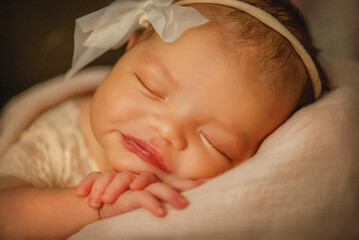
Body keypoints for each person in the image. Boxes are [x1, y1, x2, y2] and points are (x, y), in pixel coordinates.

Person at [0, 0, 328, 238]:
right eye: (152, 88)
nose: (168, 130)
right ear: (129, 48)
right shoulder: (58, 137)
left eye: (214, 142)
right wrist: (94, 208)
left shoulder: (205, 192)